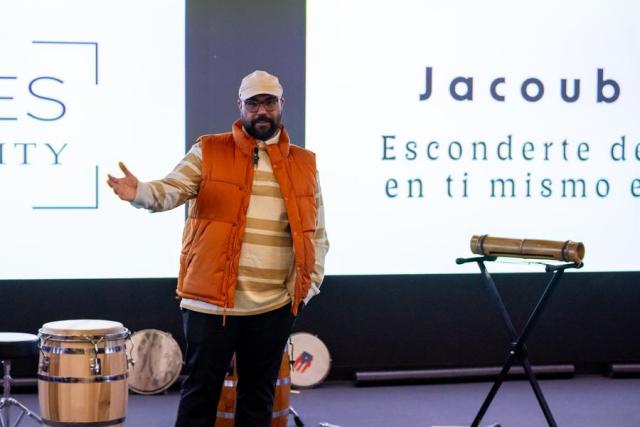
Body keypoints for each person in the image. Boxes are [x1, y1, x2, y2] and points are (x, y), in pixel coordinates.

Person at [107, 70, 329, 427]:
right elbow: (171, 189)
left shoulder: (304, 162)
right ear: (240, 106)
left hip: (274, 303)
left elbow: (316, 231)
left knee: (258, 397)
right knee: (200, 394)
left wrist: (307, 287)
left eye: (268, 102)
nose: (261, 111)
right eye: (253, 103)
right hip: (211, 302)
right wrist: (140, 193)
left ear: (281, 105)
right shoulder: (209, 150)